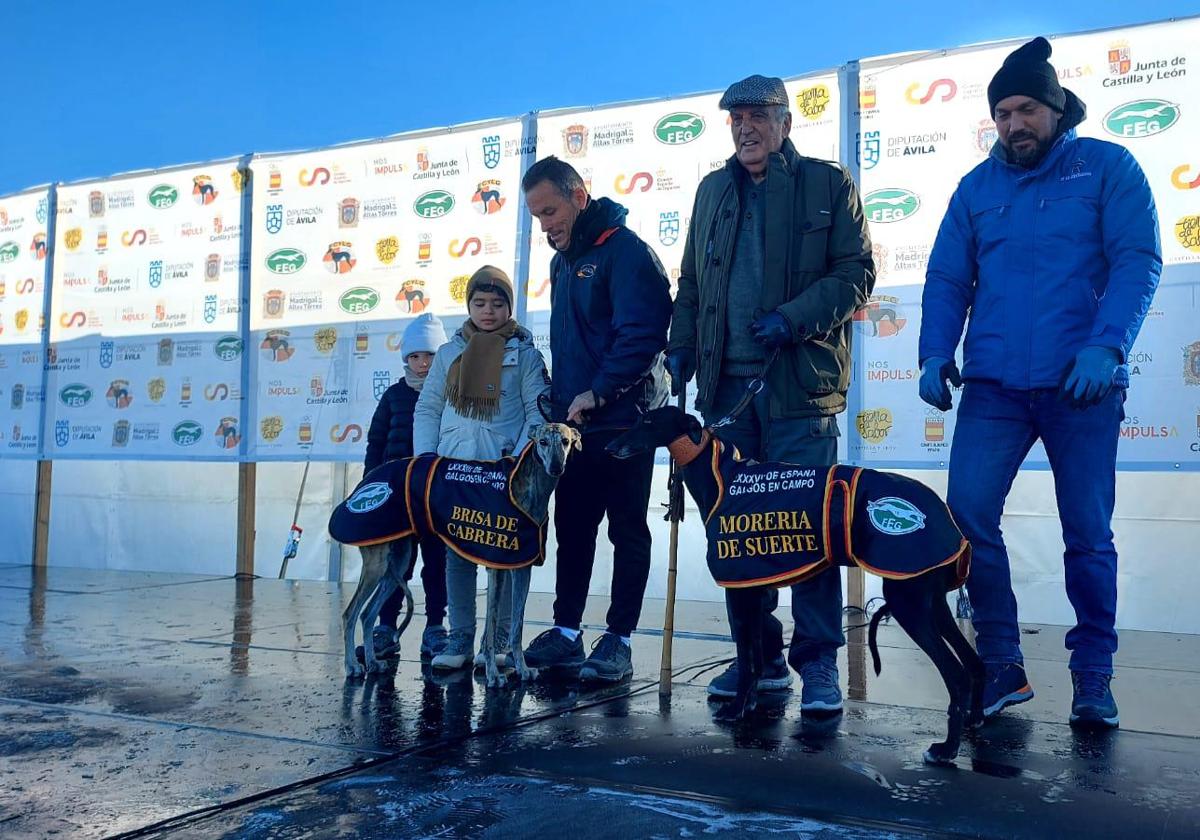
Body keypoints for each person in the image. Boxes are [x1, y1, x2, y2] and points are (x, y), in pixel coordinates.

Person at [919, 37, 1161, 729]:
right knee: (967, 516)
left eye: (1026, 108)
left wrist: (1106, 345)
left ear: (1054, 109)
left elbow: (1138, 258)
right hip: (994, 385)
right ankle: (1001, 664)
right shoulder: (976, 188)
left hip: (1080, 386)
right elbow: (945, 278)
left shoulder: (1108, 167)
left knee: (1087, 534)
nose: (1013, 124)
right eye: (1001, 113)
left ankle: (1093, 676)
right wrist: (934, 352)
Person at [667, 75, 874, 712]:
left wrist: (793, 317)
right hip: (725, 392)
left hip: (797, 389)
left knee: (806, 530)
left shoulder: (826, 183)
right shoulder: (711, 191)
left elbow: (856, 273)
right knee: (740, 532)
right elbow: (692, 282)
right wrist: (681, 343)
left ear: (785, 120)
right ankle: (758, 656)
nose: (746, 128)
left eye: (758, 116)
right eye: (736, 119)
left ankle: (818, 668)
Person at [520, 156, 673, 682]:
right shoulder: (562, 263)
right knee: (573, 526)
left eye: (551, 210)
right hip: (576, 425)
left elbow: (644, 333)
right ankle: (566, 632)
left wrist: (600, 391)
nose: (546, 224)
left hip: (627, 420)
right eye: (537, 216)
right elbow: (573, 343)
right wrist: (561, 397)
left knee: (627, 529)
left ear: (579, 196)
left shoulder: (626, 252)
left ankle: (620, 639)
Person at [413, 266, 550, 671]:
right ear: (468, 305)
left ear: (509, 307)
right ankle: (460, 639)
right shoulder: (449, 353)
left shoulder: (525, 355)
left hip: (502, 474)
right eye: (479, 303)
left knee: (504, 556)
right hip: (453, 470)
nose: (487, 312)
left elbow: (537, 414)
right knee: (457, 555)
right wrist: (426, 460)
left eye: (496, 303)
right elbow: (429, 407)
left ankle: (502, 642)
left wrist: (517, 460)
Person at [359, 312, 449, 663]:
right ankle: (384, 627)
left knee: (437, 563)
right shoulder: (394, 396)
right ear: (405, 359)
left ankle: (436, 628)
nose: (423, 363)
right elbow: (375, 440)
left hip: (434, 497)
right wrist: (372, 483)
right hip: (397, 499)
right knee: (395, 566)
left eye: (429, 355)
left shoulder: (448, 394)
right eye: (415, 356)